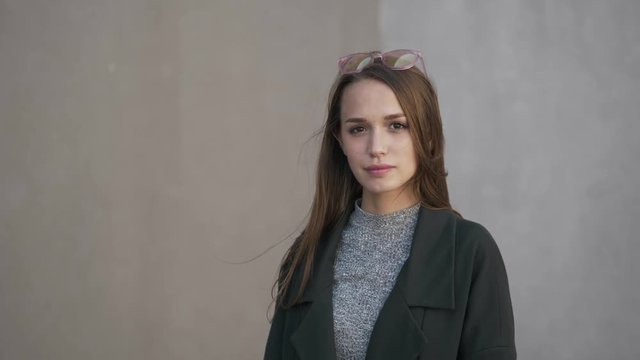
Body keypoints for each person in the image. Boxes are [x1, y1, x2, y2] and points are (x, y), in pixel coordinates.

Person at [264, 49, 516, 360]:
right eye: (358, 129)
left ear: (428, 136)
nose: (376, 148)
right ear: (340, 140)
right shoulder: (307, 254)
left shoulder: (469, 251)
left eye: (396, 126)